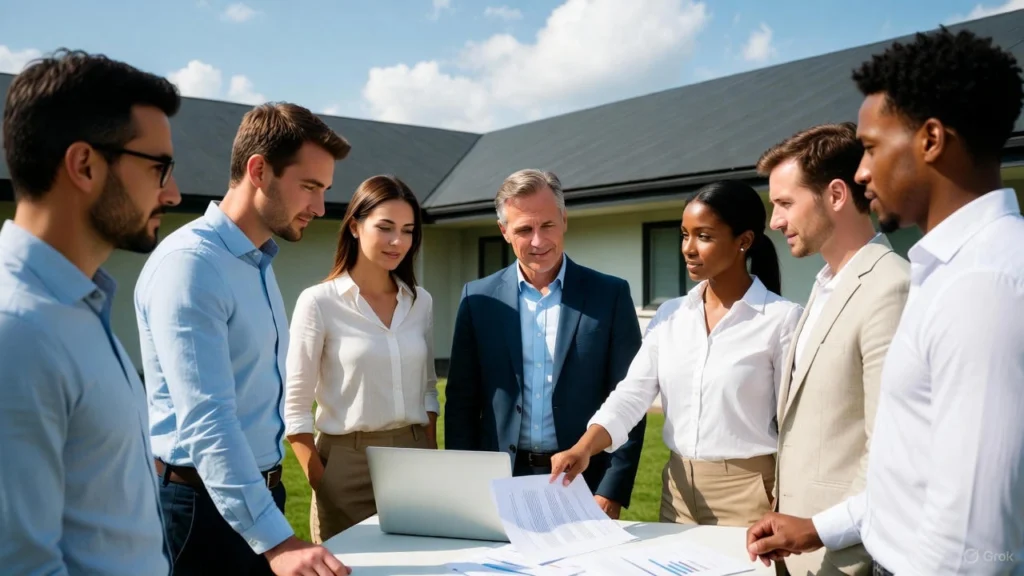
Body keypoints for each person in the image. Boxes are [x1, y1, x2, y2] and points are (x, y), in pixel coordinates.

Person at [746, 27, 1024, 576]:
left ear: (932, 140)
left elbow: (973, 540)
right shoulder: (942, 271)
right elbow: (912, 470)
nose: (863, 169)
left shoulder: (982, 284)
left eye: (871, 148)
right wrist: (818, 527)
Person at [135, 102, 353, 576]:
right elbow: (208, 421)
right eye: (310, 187)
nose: (319, 207)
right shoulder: (192, 265)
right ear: (259, 171)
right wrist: (277, 541)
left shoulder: (257, 262)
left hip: (258, 496)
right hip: (199, 510)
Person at [0, 49, 180, 575]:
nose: (170, 192)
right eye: (158, 167)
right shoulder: (18, 331)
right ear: (84, 165)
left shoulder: (79, 308)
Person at [549, 180, 802, 528]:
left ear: (744, 241)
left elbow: (797, 425)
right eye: (685, 234)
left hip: (751, 495)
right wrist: (583, 449)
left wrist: (789, 499)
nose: (688, 248)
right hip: (677, 492)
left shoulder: (782, 319)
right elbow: (631, 396)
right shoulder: (670, 315)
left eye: (704, 236)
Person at [444, 169, 645, 519]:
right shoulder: (478, 299)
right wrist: (465, 483)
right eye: (524, 229)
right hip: (499, 480)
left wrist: (611, 489)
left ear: (564, 220)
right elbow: (462, 403)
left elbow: (631, 396)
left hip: (584, 480)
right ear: (504, 232)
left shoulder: (610, 295)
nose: (538, 241)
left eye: (548, 225)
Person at [757, 123, 910, 575]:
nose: (774, 221)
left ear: (837, 195)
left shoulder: (890, 288)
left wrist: (818, 529)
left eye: (785, 203)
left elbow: (889, 452)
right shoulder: (823, 288)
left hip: (849, 559)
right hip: (798, 553)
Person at [284, 174, 440, 543]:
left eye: (407, 230)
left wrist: (429, 447)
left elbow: (430, 389)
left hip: (414, 459)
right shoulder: (318, 302)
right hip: (345, 466)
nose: (398, 241)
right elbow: (295, 407)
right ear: (354, 225)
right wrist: (322, 480)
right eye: (385, 228)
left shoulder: (421, 302)